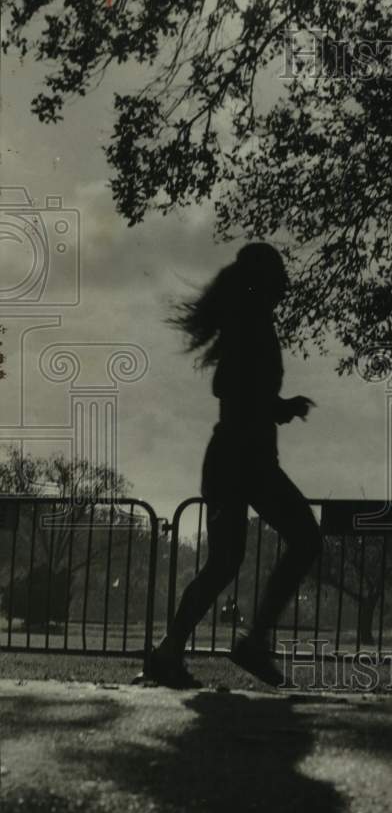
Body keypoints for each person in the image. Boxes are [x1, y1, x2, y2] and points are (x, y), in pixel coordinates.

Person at [145, 243, 321, 688]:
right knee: (303, 538)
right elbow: (230, 388)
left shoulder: (249, 319)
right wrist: (279, 407)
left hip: (235, 458)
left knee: (225, 561)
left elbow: (234, 388)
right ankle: (253, 641)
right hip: (243, 459)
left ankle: (170, 653)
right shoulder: (251, 321)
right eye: (279, 272)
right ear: (262, 280)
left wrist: (276, 407)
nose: (286, 280)